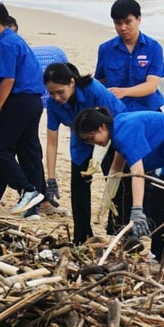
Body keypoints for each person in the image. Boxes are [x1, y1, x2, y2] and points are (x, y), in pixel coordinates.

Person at [75, 107, 164, 268]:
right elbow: (117, 166)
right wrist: (107, 198)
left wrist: (137, 210)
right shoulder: (119, 127)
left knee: (163, 202)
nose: (93, 143)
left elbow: (138, 173)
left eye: (91, 138)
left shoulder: (124, 131)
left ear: (102, 127)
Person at [43, 62, 126, 244]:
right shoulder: (53, 104)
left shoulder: (94, 90)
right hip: (82, 141)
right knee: (79, 185)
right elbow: (51, 142)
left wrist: (105, 152)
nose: (57, 97)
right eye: (51, 93)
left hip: (110, 135)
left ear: (72, 83)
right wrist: (51, 179)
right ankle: (82, 237)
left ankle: (119, 231)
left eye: (60, 92)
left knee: (116, 182)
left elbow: (115, 121)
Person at [0, 0, 46, 216]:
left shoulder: (5, 43)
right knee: (28, 151)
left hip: (19, 101)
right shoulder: (16, 40)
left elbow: (7, 80)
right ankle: (32, 210)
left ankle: (27, 190)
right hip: (34, 101)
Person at [94, 0, 164, 112]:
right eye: (118, 23)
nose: (123, 28)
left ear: (139, 19)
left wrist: (124, 92)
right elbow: (100, 82)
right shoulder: (105, 49)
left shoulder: (154, 48)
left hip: (148, 110)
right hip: (116, 109)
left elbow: (152, 86)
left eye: (128, 22)